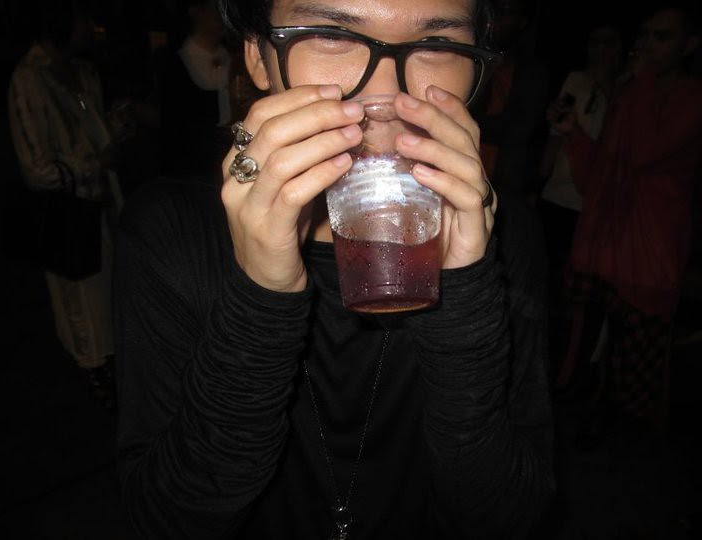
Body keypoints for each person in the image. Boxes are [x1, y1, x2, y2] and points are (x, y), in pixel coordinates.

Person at [114, 0, 554, 538]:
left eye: (436, 44)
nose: (385, 97)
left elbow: (508, 516)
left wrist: (465, 298)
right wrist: (259, 300)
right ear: (257, 56)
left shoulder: (506, 236)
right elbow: (166, 520)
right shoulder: (167, 234)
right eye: (332, 34)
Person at [548, 3, 702, 443]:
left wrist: (641, 79)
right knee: (584, 345)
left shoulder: (691, 97)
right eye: (646, 35)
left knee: (634, 360)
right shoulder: (631, 91)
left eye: (662, 37)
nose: (648, 45)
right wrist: (573, 132)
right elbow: (600, 173)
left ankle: (625, 439)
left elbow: (644, 153)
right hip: (604, 242)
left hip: (650, 251)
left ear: (690, 44)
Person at [8, 0, 123, 409]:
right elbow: (36, 169)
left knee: (109, 287)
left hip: (105, 200)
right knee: (80, 297)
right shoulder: (29, 79)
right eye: (82, 19)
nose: (91, 26)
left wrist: (118, 126)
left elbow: (97, 133)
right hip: (70, 210)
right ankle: (95, 370)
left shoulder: (84, 71)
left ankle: (109, 364)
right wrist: (92, 164)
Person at [538, 19, 624, 391]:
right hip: (556, 193)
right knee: (548, 283)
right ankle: (546, 363)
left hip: (593, 206)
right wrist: (538, 178)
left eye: (609, 43)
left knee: (581, 296)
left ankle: (573, 373)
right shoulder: (576, 78)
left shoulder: (627, 89)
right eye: (595, 42)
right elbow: (557, 130)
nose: (600, 51)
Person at [475, 0, 549, 198]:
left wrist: (469, 121)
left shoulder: (531, 72)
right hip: (465, 172)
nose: (498, 18)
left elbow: (518, 129)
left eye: (507, 11)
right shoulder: (473, 61)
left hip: (506, 185)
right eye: (496, 10)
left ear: (522, 21)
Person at [155, 0, 233, 180]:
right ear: (197, 11)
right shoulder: (174, 64)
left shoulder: (237, 58)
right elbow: (171, 129)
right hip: (193, 173)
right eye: (216, 7)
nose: (222, 15)